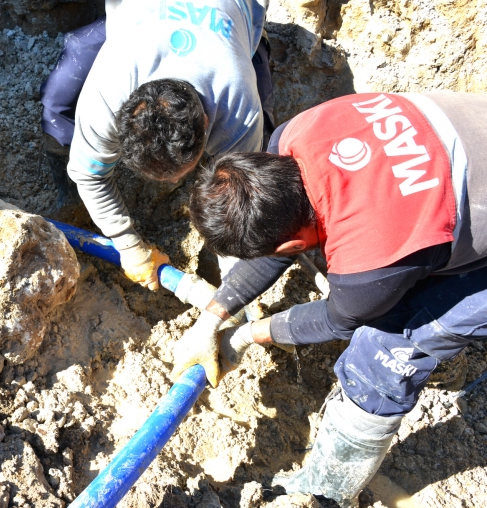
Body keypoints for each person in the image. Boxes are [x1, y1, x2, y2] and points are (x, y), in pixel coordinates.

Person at [173, 92, 487, 507]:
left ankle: (324, 491)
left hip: (453, 205)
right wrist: (210, 320)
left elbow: (340, 319)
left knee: (381, 352)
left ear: (287, 245)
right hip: (467, 144)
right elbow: (287, 238)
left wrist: (246, 336)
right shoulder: (295, 135)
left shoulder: (369, 256)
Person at [40, 0, 274, 290]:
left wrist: (235, 276)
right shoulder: (109, 87)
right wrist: (126, 243)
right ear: (121, 121)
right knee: (57, 103)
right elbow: (88, 175)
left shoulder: (238, 106)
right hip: (142, 17)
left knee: (266, 150)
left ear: (205, 122)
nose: (175, 181)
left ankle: (213, 257)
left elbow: (239, 197)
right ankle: (70, 201)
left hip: (237, 12)